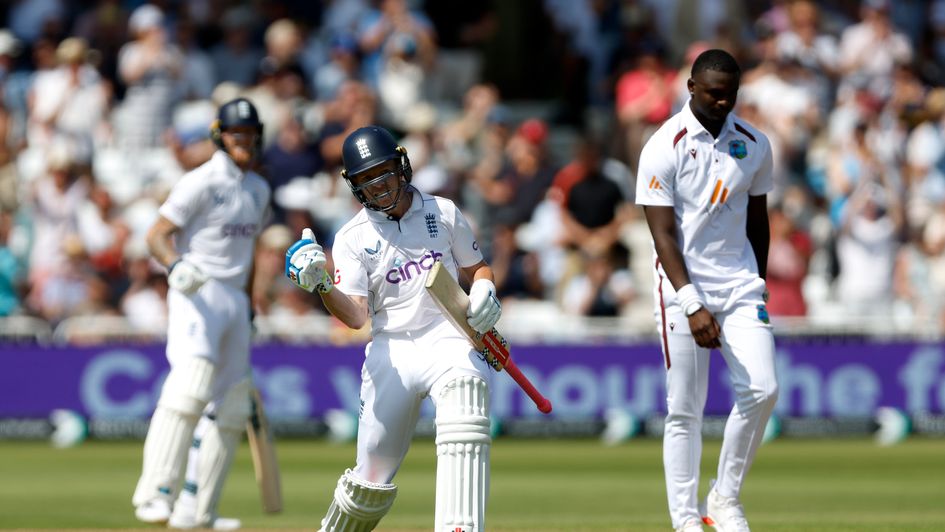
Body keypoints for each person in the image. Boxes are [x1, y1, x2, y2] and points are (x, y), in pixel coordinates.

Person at [285, 125, 501, 531]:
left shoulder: (444, 212)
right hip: (393, 349)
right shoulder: (352, 237)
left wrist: (486, 288)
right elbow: (354, 317)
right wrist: (321, 284)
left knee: (467, 412)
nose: (378, 185)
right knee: (369, 484)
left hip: (449, 334)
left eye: (382, 172)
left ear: (401, 165)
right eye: (366, 179)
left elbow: (477, 268)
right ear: (354, 186)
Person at [634, 49, 779, 532]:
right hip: (681, 287)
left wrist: (758, 282)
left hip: (739, 286)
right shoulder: (664, 144)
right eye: (714, 92)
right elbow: (661, 235)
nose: (723, 102)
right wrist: (691, 301)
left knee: (763, 389)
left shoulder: (755, 143)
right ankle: (685, 520)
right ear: (691, 86)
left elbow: (758, 222)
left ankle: (724, 498)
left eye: (731, 94)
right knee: (684, 409)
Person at [132, 97, 271, 530]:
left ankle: (198, 512)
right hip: (197, 291)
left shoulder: (258, 189)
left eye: (249, 134)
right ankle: (154, 495)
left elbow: (247, 257)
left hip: (233, 299)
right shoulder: (200, 181)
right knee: (189, 390)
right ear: (220, 136)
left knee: (230, 408)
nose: (243, 141)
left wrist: (248, 305)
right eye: (236, 134)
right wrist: (176, 266)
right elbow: (156, 236)